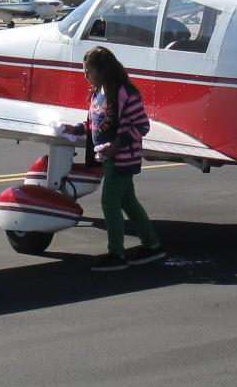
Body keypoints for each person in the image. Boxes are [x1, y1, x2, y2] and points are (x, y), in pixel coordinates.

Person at [66, 46, 165, 271]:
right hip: (108, 157)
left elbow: (142, 125)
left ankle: (117, 254)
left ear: (102, 70)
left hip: (122, 158)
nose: (85, 76)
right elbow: (94, 124)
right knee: (127, 200)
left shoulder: (126, 93)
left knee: (109, 203)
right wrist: (76, 129)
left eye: (88, 71)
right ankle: (152, 245)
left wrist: (117, 145)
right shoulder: (97, 93)